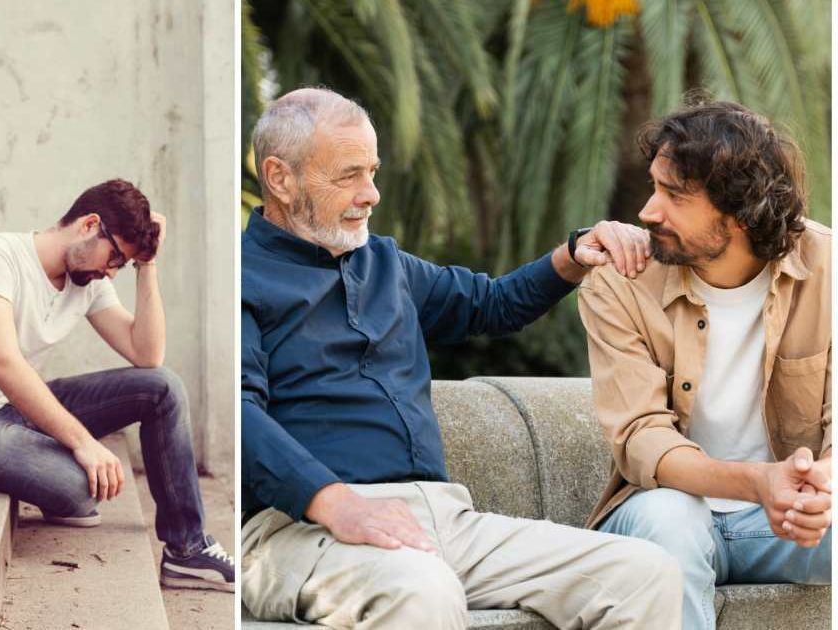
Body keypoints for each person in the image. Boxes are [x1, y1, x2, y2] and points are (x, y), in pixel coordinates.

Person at [241, 87, 683, 629]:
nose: (371, 193)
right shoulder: (239, 278)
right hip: (299, 530)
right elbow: (240, 415)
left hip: (442, 519)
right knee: (420, 590)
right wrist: (335, 503)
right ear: (280, 178)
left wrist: (574, 255)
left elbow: (491, 305)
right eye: (348, 175)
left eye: (373, 171)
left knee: (645, 572)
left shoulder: (387, 264)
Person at [579, 100, 832, 630]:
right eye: (655, 187)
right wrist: (761, 482)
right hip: (657, 514)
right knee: (674, 516)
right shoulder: (620, 281)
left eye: (674, 195)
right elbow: (643, 438)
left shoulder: (827, 267)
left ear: (738, 213)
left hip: (782, 522)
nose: (648, 211)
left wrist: (820, 484)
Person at [0, 178, 234, 591]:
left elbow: (147, 356)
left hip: (18, 409)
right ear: (90, 224)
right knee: (79, 489)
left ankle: (187, 550)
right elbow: (3, 364)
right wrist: (82, 442)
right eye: (115, 258)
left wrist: (147, 265)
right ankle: (34, 466)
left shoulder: (87, 282)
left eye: (121, 265)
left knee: (162, 386)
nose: (110, 272)